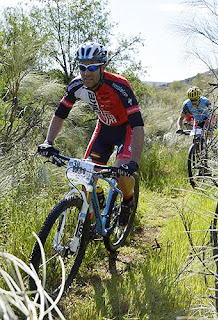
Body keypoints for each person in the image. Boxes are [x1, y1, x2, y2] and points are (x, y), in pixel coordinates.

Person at [38, 42, 144, 225]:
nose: (86, 73)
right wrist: (48, 142)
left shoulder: (119, 85)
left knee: (121, 175)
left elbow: (137, 125)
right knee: (86, 177)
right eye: (82, 67)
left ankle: (127, 200)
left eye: (92, 67)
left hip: (126, 130)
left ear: (103, 66)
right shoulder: (77, 86)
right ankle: (89, 226)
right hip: (103, 129)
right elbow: (60, 114)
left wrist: (134, 161)